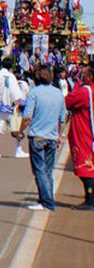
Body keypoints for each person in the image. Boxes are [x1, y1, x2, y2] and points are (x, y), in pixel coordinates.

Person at [18, 65, 66, 211]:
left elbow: (27, 116)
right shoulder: (58, 93)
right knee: (48, 170)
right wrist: (58, 134)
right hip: (51, 135)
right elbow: (62, 117)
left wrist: (20, 131)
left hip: (37, 135)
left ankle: (47, 201)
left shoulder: (34, 93)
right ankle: (45, 198)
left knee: (39, 170)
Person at [66, 63, 94, 210]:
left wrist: (78, 85)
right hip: (88, 130)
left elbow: (68, 101)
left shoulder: (85, 91)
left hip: (85, 132)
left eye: (84, 75)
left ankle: (90, 199)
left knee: (86, 166)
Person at [0, 56, 27, 158]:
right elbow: (15, 92)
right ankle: (18, 150)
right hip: (8, 104)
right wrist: (19, 101)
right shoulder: (10, 76)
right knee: (16, 126)